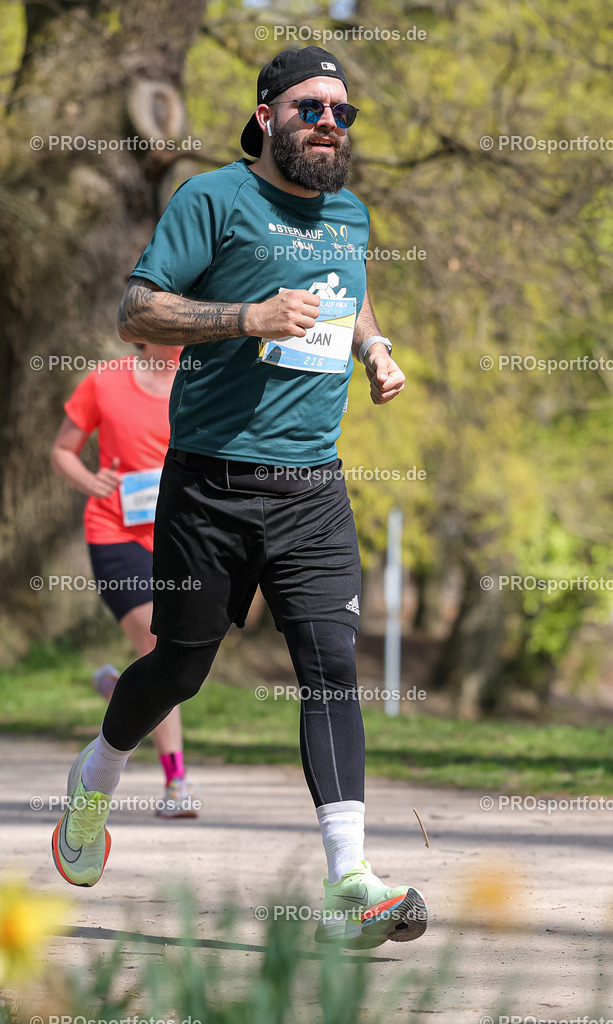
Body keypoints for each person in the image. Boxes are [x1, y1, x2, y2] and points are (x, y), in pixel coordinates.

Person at [51, 46, 428, 949]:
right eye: (310, 107)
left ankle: (350, 881)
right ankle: (97, 774)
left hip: (310, 488)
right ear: (266, 115)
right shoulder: (212, 200)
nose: (329, 123)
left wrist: (372, 347)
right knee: (182, 665)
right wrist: (243, 319)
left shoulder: (349, 214)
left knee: (331, 667)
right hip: (209, 484)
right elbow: (137, 311)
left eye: (342, 111)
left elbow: (352, 289)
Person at [50, 343, 198, 820]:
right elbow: (62, 450)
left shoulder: (202, 376)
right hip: (116, 534)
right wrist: (89, 481)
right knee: (157, 644)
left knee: (182, 658)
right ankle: (177, 783)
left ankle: (122, 688)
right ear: (143, 327)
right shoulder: (105, 380)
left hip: (182, 535)